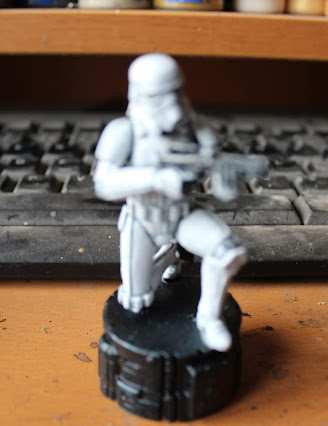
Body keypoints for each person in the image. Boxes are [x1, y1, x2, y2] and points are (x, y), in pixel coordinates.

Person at [93, 53, 248, 352]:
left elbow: (219, 189)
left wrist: (224, 179)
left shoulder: (199, 130)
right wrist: (156, 178)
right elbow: (104, 183)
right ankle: (166, 258)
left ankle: (208, 318)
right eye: (159, 98)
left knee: (227, 253)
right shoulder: (123, 131)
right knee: (136, 299)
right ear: (138, 95)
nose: (172, 106)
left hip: (183, 216)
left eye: (175, 94)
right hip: (143, 219)